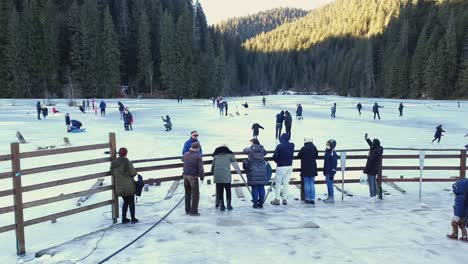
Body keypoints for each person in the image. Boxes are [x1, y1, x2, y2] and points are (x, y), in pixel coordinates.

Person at [110, 147, 138, 224]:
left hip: (120, 188)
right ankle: (133, 219)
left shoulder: (114, 163)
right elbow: (133, 173)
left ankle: (124, 218)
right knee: (131, 202)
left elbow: (112, 173)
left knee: (125, 202)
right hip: (129, 187)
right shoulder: (127, 162)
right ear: (126, 153)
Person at [243, 138, 268, 208]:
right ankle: (261, 203)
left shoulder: (250, 149)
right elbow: (266, 152)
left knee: (254, 187)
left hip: (253, 171)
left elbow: (244, 150)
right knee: (261, 187)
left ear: (253, 143)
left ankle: (255, 203)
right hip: (262, 170)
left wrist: (250, 147)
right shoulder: (262, 149)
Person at [271, 133, 295, 206]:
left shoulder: (279, 146)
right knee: (286, 183)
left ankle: (277, 199)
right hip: (289, 166)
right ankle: (285, 199)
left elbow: (275, 157)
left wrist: (277, 161)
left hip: (281, 166)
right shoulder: (292, 145)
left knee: (278, 183)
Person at [211, 145, 236, 211]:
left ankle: (222, 205)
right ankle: (229, 205)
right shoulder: (229, 156)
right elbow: (234, 160)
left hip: (218, 176)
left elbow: (213, 166)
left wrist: (211, 172)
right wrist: (232, 153)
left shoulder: (215, 156)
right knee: (228, 190)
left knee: (220, 191)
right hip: (226, 175)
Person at [182, 142, 204, 216]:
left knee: (187, 193)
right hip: (193, 176)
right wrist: (201, 177)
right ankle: (194, 211)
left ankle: (187, 210)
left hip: (185, 175)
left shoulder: (186, 154)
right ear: (197, 148)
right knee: (195, 194)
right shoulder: (198, 156)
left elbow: (182, 159)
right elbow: (200, 168)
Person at [297, 138, 318, 204]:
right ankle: (312, 198)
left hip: (305, 168)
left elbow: (299, 156)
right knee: (312, 183)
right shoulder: (314, 148)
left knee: (306, 183)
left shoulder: (303, 148)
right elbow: (316, 156)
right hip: (313, 168)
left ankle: (307, 198)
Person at [364, 133, 383, 202]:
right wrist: (367, 139)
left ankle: (372, 197)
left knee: (371, 183)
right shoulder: (378, 149)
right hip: (375, 169)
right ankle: (374, 196)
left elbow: (370, 160)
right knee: (374, 182)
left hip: (370, 169)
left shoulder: (374, 152)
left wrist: (368, 156)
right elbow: (371, 144)